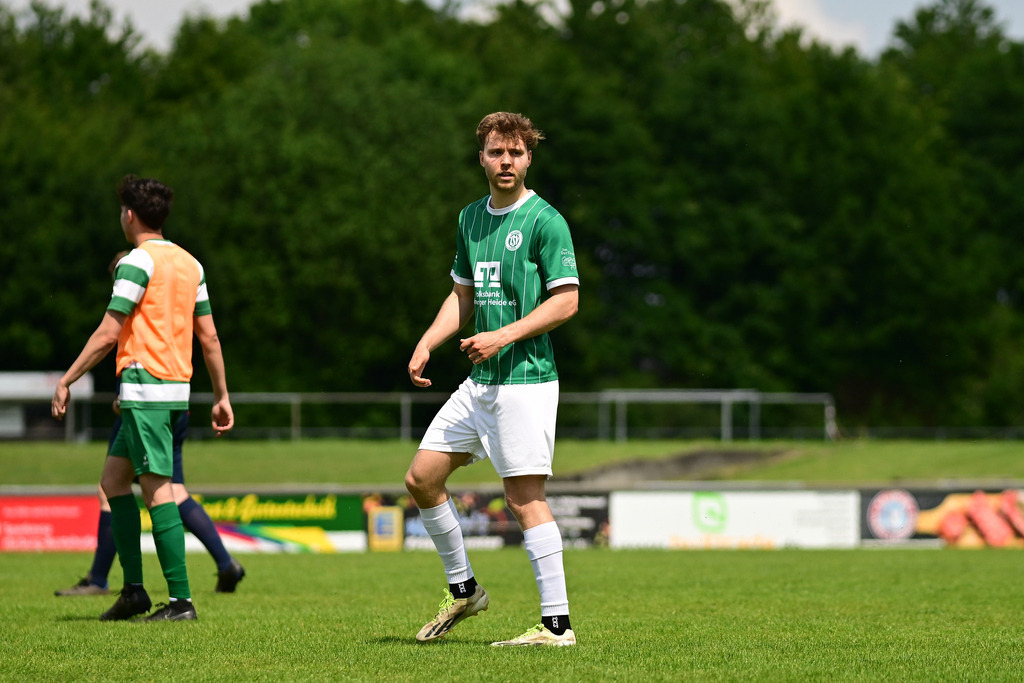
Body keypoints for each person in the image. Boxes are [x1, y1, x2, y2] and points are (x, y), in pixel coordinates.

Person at [405, 112, 580, 647]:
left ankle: (557, 626)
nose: (506, 162)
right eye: (496, 152)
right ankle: (464, 590)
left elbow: (567, 300)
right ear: (481, 156)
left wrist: (502, 336)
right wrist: (428, 341)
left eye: (517, 153)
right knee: (421, 478)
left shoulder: (545, 220)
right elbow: (463, 297)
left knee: (524, 497)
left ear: (530, 158)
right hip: (481, 382)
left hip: (525, 380)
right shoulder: (469, 219)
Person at [52, 174, 234, 622]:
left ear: (129, 215)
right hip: (174, 392)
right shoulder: (192, 264)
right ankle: (134, 591)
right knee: (114, 482)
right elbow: (208, 337)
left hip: (145, 391)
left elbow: (110, 332)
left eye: (120, 211)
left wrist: (68, 378)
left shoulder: (137, 261)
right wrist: (221, 395)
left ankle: (181, 602)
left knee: (157, 491)